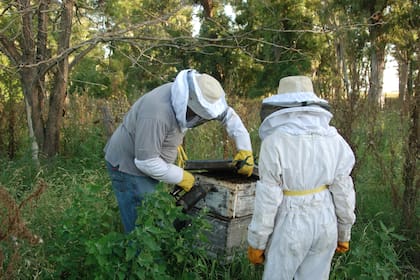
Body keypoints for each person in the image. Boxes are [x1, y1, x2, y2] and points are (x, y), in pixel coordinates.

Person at [104, 69, 254, 233]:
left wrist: (245, 149)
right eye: (198, 116)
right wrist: (182, 177)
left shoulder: (197, 94)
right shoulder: (156, 112)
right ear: (187, 103)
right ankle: (139, 256)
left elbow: (228, 116)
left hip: (149, 161)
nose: (199, 121)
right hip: (128, 167)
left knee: (152, 214)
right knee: (141, 225)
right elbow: (146, 162)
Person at [247, 76, 356, 279]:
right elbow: (343, 190)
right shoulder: (335, 140)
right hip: (326, 221)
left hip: (291, 223)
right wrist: (344, 232)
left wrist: (257, 242)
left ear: (281, 105)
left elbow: (268, 197)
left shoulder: (275, 142)